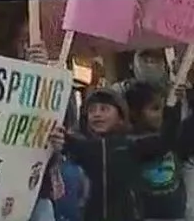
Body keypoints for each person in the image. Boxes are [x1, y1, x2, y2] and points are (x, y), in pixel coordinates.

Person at [64, 86, 183, 221]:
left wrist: (173, 108)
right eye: (91, 110)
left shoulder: (133, 145)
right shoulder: (81, 147)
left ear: (120, 117)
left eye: (104, 109)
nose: (97, 114)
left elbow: (166, 140)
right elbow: (60, 142)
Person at [123, 81, 187, 221]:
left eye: (164, 108)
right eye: (155, 108)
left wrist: (179, 100)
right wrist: (174, 110)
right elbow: (162, 144)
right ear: (133, 112)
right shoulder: (131, 143)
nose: (162, 114)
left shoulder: (170, 136)